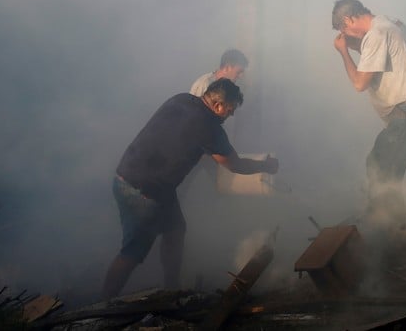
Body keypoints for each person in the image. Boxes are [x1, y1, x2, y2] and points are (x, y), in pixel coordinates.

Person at [101, 78, 279, 300]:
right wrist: (266, 166)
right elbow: (235, 165)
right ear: (218, 106)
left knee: (175, 230)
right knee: (132, 253)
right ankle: (101, 307)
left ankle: (171, 290)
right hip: (145, 191)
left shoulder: (180, 99)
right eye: (230, 110)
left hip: (129, 177)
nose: (230, 116)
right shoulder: (210, 127)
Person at [331, 0, 406, 241]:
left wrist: (344, 53)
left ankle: (397, 233)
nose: (345, 34)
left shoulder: (376, 34)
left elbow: (360, 82)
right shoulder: (392, 24)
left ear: (349, 20)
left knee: (383, 170)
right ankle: (390, 225)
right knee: (381, 164)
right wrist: (354, 45)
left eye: (343, 29)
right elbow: (376, 58)